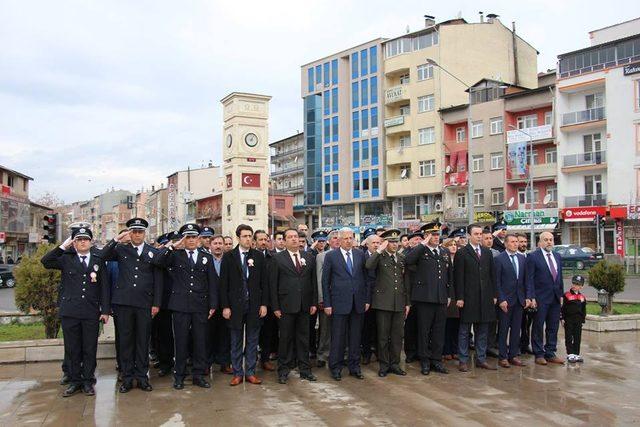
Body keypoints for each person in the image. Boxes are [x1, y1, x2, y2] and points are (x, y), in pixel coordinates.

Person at [41, 227, 110, 397]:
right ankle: (74, 381)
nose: (82, 242)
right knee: (72, 349)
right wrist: (63, 246)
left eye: (85, 239)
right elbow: (46, 261)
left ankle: (87, 381)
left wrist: (105, 310)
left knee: (89, 348)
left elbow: (105, 287)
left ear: (91, 241)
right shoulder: (66, 258)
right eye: (78, 239)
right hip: (70, 311)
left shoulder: (98, 259)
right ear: (74, 242)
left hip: (90, 311)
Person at [99, 218, 163, 393]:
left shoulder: (152, 252)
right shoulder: (120, 250)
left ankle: (142, 377)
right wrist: (116, 239)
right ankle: (127, 378)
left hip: (144, 303)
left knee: (143, 341)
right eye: (133, 231)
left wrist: (156, 303)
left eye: (140, 231)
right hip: (123, 303)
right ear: (129, 233)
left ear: (144, 233)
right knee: (125, 341)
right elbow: (101, 256)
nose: (136, 235)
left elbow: (158, 279)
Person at [153, 223, 218, 390]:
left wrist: (212, 304)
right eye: (187, 237)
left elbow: (212, 282)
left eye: (193, 237)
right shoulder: (175, 255)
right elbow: (158, 261)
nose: (191, 240)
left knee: (200, 341)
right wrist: (173, 246)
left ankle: (198, 375)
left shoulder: (206, 257)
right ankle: (179, 375)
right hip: (180, 305)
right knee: (180, 341)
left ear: (198, 239)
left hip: (200, 305)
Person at [220, 224, 269, 386]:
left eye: (250, 236)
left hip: (254, 305)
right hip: (235, 306)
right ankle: (237, 373)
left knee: (253, 340)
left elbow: (264, 283)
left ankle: (250, 372)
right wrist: (225, 306)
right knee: (235, 340)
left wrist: (264, 304)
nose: (248, 239)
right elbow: (224, 284)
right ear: (238, 238)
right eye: (245, 236)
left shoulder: (258, 257)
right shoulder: (229, 257)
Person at [270, 228, 318, 384]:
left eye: (296, 237)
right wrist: (275, 307)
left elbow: (313, 282)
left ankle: (305, 369)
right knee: (285, 339)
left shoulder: (309, 257)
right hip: (285, 306)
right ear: (284, 241)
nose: (294, 239)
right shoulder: (277, 258)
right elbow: (273, 285)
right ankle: (283, 370)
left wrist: (313, 303)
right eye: (290, 237)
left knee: (304, 339)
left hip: (304, 305)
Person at [322, 227, 370, 381]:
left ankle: (354, 367)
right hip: (339, 303)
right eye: (346, 238)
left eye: (351, 238)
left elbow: (366, 278)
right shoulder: (331, 256)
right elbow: (325, 281)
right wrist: (327, 304)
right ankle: (335, 367)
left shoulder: (360, 254)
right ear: (339, 240)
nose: (349, 241)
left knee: (355, 337)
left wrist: (366, 300)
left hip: (358, 303)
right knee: (338, 337)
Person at [405, 222, 452, 375]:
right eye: (433, 235)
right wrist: (422, 245)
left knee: (439, 331)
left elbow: (449, 275)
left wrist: (449, 294)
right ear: (426, 236)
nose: (437, 237)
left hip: (440, 297)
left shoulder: (444, 252)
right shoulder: (420, 251)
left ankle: (436, 360)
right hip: (424, 298)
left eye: (438, 235)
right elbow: (408, 260)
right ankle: (424, 360)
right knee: (424, 331)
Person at [365, 229, 409, 377]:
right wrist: (378, 250)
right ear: (385, 243)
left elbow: (405, 282)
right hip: (383, 303)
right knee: (383, 336)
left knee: (397, 336)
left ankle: (395, 364)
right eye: (391, 242)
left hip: (399, 303)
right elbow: (368, 266)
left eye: (396, 242)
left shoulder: (402, 258)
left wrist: (407, 303)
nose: (395, 244)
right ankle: (384, 365)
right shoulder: (379, 257)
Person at [455, 224, 498, 372]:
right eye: (476, 234)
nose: (479, 236)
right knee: (464, 330)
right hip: (468, 298)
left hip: (485, 297)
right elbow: (458, 277)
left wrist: (494, 295)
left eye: (481, 234)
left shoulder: (487, 252)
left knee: (483, 330)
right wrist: (459, 297)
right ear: (469, 236)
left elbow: (492, 275)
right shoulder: (462, 253)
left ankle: (481, 359)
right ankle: (463, 360)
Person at [526, 231, 564, 366]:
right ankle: (539, 353)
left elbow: (559, 278)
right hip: (540, 298)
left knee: (553, 326)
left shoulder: (557, 256)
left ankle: (550, 352)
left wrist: (561, 295)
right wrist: (531, 297)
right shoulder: (533, 257)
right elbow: (529, 278)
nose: (549, 242)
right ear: (540, 242)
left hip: (554, 298)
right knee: (538, 326)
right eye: (546, 240)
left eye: (551, 240)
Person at [495, 234, 532, 368]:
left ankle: (513, 355)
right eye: (512, 242)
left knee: (516, 329)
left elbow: (527, 280)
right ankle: (503, 356)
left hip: (519, 300)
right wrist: (501, 299)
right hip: (506, 301)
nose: (515, 244)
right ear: (505, 244)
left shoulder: (522, 259)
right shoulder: (499, 259)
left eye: (517, 242)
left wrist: (528, 296)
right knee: (504, 329)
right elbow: (497, 281)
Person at [315, 229, 341, 368]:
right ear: (329, 241)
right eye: (334, 238)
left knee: (340, 328)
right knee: (325, 329)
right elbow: (320, 279)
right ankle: (322, 355)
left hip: (341, 299)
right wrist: (322, 299)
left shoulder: (345, 255)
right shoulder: (322, 256)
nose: (337, 240)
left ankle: (339, 354)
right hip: (327, 298)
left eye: (339, 238)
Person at [208, 235, 232, 374]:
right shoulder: (205, 260)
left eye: (220, 243)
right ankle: (207, 363)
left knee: (225, 335)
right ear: (210, 245)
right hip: (209, 305)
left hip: (226, 305)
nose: (218, 246)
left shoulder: (229, 260)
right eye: (215, 243)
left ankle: (225, 363)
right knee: (207, 335)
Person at [255, 229, 277, 372]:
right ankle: (251, 359)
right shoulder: (249, 257)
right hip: (253, 301)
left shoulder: (273, 258)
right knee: (253, 332)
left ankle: (265, 359)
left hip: (269, 301)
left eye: (266, 240)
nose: (263, 242)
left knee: (268, 332)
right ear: (254, 241)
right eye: (260, 240)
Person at [403, 230, 423, 364]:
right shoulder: (406, 254)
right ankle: (410, 353)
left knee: (423, 326)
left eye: (420, 239)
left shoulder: (425, 254)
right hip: (410, 295)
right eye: (415, 239)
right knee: (410, 327)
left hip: (423, 296)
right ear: (409, 242)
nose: (418, 241)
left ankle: (421, 351)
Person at [361, 231, 380, 366]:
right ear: (367, 245)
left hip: (381, 297)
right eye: (373, 243)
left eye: (378, 243)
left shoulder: (383, 256)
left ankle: (379, 352)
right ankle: (366, 353)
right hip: (367, 297)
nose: (376, 245)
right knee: (366, 327)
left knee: (380, 327)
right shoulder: (362, 257)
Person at [562, 275, 587, 363]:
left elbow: (583, 309)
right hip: (569, 319)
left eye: (577, 284)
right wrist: (562, 318)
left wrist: (583, 319)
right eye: (574, 283)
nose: (574, 285)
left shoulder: (582, 297)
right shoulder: (566, 295)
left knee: (577, 337)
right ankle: (570, 354)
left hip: (578, 320)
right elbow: (563, 308)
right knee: (569, 336)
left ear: (581, 286)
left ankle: (576, 354)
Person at [441, 239, 459, 361]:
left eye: (455, 245)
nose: (453, 247)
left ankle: (455, 349)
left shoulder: (459, 259)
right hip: (447, 295)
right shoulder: (444, 258)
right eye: (450, 245)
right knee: (446, 325)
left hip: (457, 295)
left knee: (456, 324)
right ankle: (446, 350)